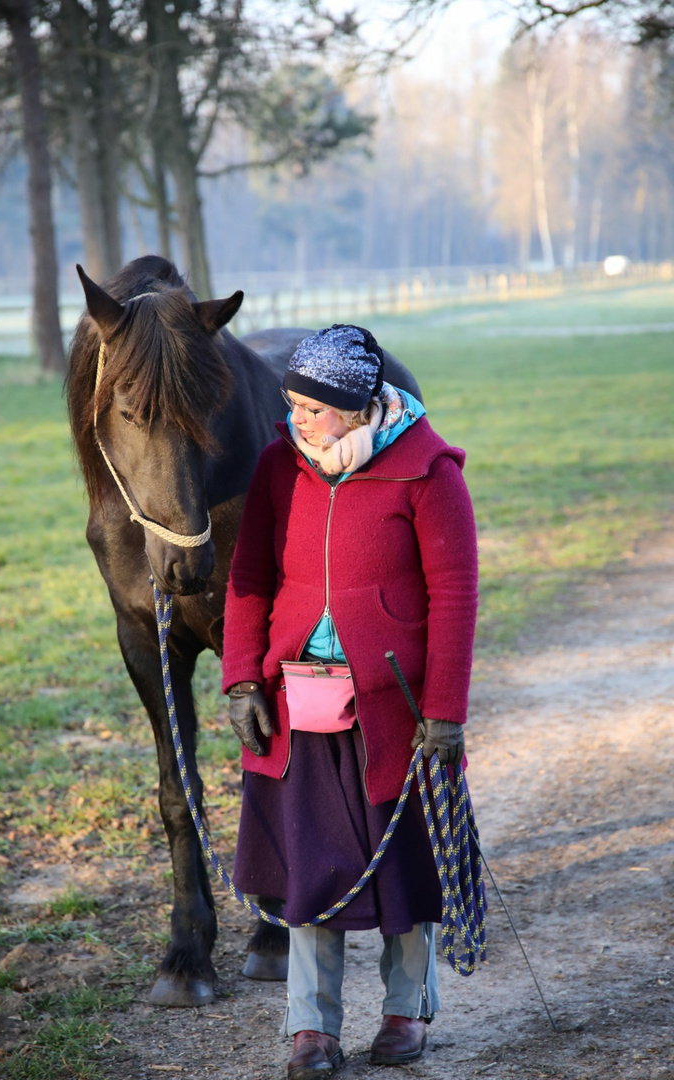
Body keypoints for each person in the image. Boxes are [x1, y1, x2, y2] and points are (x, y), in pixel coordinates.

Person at [222, 324, 478, 1079]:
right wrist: (242, 678)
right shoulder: (278, 468)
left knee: (405, 866)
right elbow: (252, 578)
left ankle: (406, 1011)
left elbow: (456, 596)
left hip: (396, 710)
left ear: (356, 405)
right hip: (297, 703)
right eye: (292, 403)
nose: (296, 419)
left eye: (311, 408)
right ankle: (313, 1029)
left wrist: (446, 711)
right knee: (310, 867)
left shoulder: (429, 473)